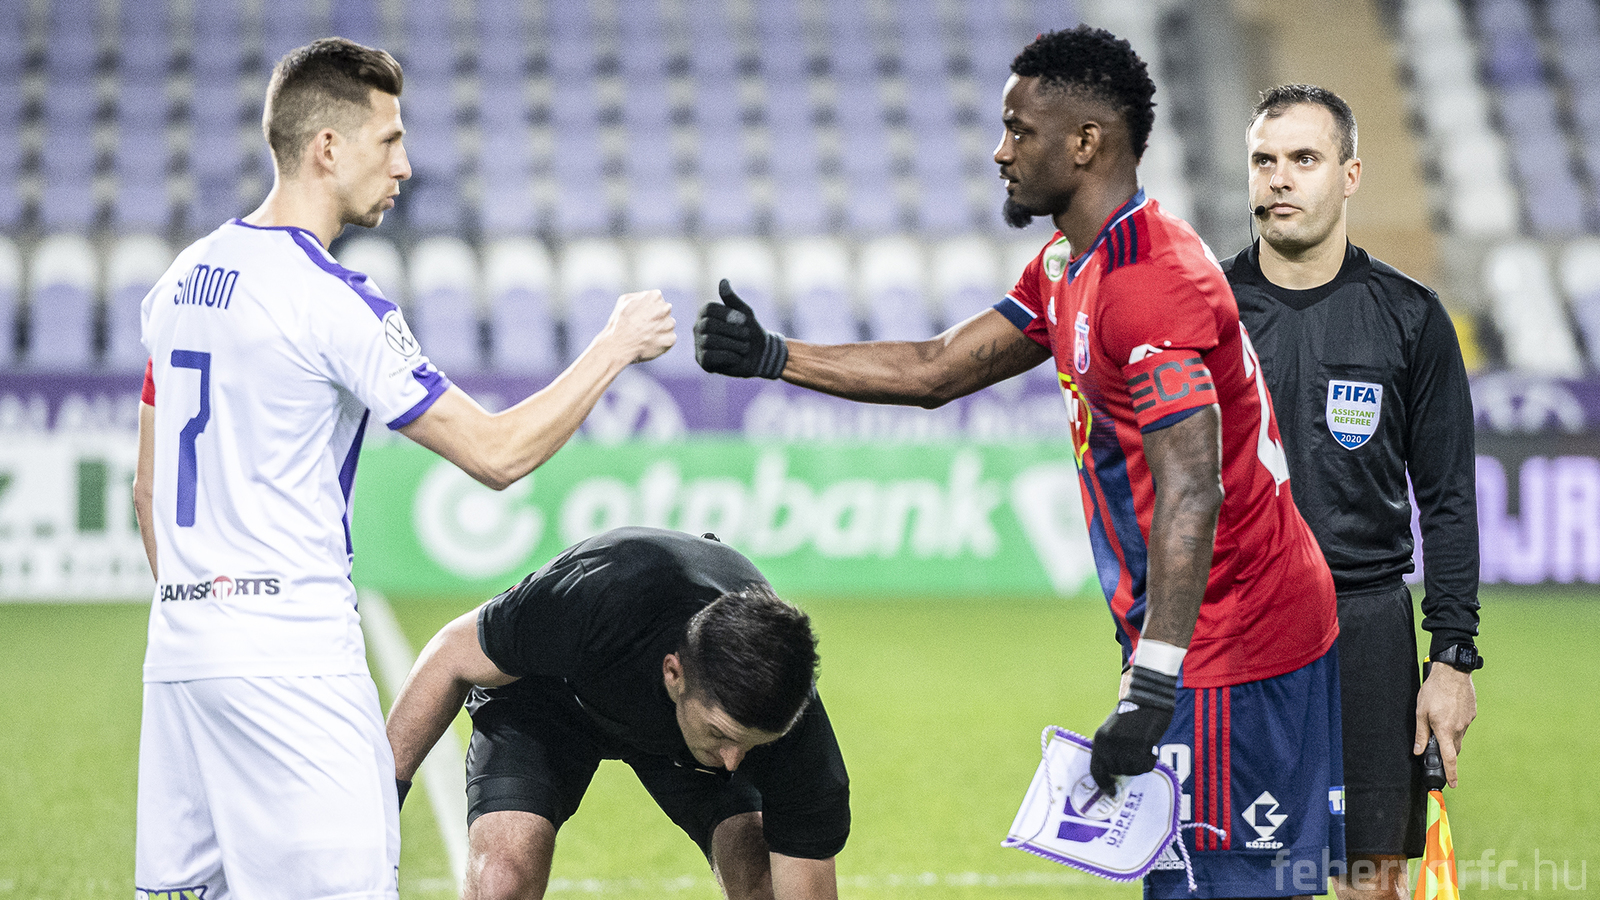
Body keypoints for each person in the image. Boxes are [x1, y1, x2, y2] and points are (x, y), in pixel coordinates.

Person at [695, 26, 1344, 898]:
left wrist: (1154, 681)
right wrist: (774, 356)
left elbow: (1194, 487)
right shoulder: (1071, 263)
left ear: (1085, 143)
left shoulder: (1152, 281)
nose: (1001, 152)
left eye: (1019, 130)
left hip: (1238, 639)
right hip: (1196, 633)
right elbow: (937, 369)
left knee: (1227, 888)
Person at [130, 38, 675, 898]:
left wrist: (204, 614)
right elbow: (496, 454)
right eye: (388, 140)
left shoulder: (179, 281)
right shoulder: (331, 299)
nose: (405, 166)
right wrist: (614, 347)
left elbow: (147, 490)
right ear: (327, 147)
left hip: (181, 656)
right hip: (292, 659)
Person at [1227, 84, 1481, 900]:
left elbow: (1448, 498)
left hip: (1364, 630)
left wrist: (1452, 658)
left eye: (1304, 158)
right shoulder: (1206, 313)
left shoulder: (1410, 316)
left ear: (1350, 175)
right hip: (1238, 630)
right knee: (1238, 879)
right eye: (1264, 160)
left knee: (1371, 883)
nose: (1279, 178)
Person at [384, 526, 849, 900]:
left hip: (681, 736)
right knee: (502, 881)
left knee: (762, 884)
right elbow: (449, 656)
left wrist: (733, 738)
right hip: (549, 696)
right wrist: (379, 803)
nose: (732, 763)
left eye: (749, 744)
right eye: (722, 734)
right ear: (674, 672)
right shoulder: (592, 598)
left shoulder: (788, 727)